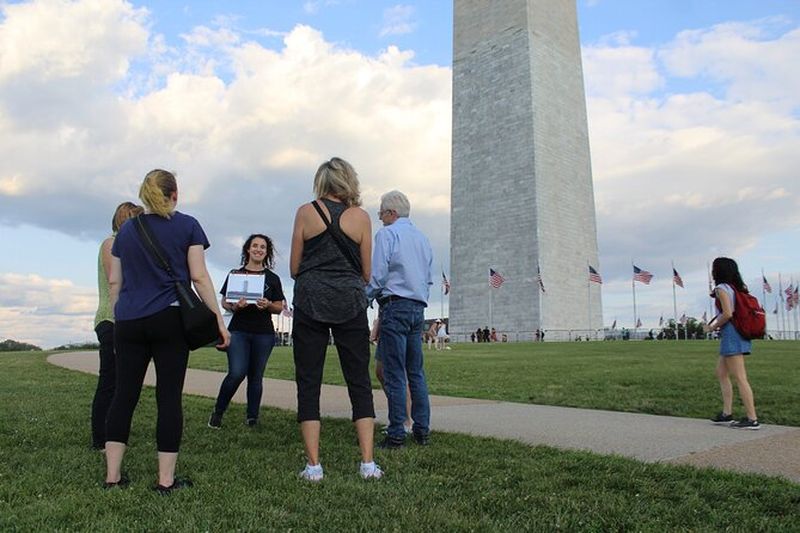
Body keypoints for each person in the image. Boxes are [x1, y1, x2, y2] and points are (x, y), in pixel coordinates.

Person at [104, 169, 230, 493]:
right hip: (169, 318)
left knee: (124, 395)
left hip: (128, 320)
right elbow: (199, 277)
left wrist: (121, 316)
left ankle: (113, 477)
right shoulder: (187, 225)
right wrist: (217, 320)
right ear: (175, 194)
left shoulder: (126, 231)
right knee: (168, 396)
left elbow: (115, 281)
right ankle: (165, 480)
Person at [290, 157, 381, 481]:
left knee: (309, 380)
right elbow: (367, 272)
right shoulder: (361, 218)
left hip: (311, 299)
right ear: (349, 182)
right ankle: (367, 462)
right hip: (349, 301)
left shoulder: (305, 211)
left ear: (322, 182)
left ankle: (314, 465)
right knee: (358, 380)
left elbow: (294, 268)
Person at [367, 190, 433, 449]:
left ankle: (396, 433)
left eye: (381, 213)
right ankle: (421, 430)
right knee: (415, 372)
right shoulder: (423, 238)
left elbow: (379, 274)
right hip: (418, 308)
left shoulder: (387, 234)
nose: (380, 218)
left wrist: (365, 297)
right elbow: (428, 278)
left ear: (391, 213)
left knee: (394, 373)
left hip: (394, 305)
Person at [208, 234, 285, 429]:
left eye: (263, 247)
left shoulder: (272, 278)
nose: (259, 249)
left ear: (266, 253)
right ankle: (218, 411)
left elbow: (279, 306)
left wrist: (268, 305)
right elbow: (225, 301)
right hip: (239, 331)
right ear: (248, 250)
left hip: (264, 333)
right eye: (255, 246)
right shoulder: (235, 274)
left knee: (256, 376)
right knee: (236, 372)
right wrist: (235, 306)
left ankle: (252, 418)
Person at [91, 201, 143, 451]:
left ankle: (114, 434)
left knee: (124, 383)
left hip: (127, 319)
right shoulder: (111, 244)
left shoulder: (130, 247)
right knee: (110, 381)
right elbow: (117, 282)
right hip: (111, 319)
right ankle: (100, 439)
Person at [703, 257, 760, 430]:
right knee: (721, 373)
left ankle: (752, 419)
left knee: (740, 378)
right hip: (737, 334)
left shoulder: (721, 288)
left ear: (718, 271)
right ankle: (726, 413)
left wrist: (711, 327)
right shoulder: (734, 288)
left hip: (732, 335)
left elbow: (728, 313)